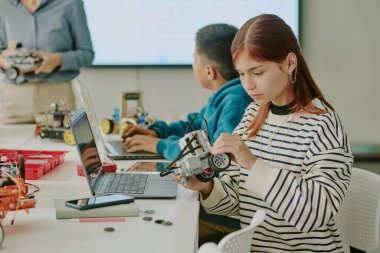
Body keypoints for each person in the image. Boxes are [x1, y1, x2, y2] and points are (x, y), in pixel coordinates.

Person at [175, 14, 353, 252]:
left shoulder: (323, 126)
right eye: (241, 73)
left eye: (258, 73)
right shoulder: (252, 116)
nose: (247, 84)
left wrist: (252, 163)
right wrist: (207, 186)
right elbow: (239, 202)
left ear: (290, 63)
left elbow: (313, 216)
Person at [122, 24, 253, 243]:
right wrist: (156, 132)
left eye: (194, 59)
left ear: (209, 71)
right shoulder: (223, 97)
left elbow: (210, 157)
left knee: (152, 221)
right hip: (217, 202)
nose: (193, 65)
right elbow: (194, 126)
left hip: (225, 212)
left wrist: (159, 146)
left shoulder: (235, 102)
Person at [0, 0, 94, 124]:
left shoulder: (70, 3)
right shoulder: (3, 5)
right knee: (9, 143)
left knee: (61, 142)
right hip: (13, 98)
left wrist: (57, 60)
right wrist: (4, 61)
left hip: (57, 95)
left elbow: (87, 54)